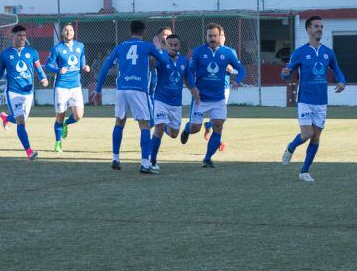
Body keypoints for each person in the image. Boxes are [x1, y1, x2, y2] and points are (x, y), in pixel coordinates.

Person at [94, 20, 167, 174]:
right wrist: (160, 49)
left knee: (119, 122)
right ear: (144, 31)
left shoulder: (121, 46)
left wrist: (98, 89)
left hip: (121, 89)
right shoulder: (148, 46)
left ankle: (115, 157)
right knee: (144, 126)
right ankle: (145, 163)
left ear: (130, 31)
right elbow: (165, 62)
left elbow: (106, 67)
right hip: (139, 89)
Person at [280, 16, 346, 182]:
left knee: (316, 137)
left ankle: (304, 171)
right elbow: (286, 72)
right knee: (307, 133)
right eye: (316, 26)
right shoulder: (300, 52)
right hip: (305, 100)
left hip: (321, 101)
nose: (319, 29)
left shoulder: (328, 53)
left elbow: (337, 69)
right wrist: (285, 74)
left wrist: (342, 81)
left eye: (321, 26)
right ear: (308, 30)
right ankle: (290, 147)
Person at [179, 23, 247, 169]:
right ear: (206, 36)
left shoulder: (228, 52)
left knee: (218, 126)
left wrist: (238, 81)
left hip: (219, 98)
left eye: (215, 36)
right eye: (210, 36)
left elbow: (241, 69)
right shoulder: (198, 51)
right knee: (195, 128)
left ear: (220, 36)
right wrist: (193, 87)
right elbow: (190, 72)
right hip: (200, 97)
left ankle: (207, 158)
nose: (212, 38)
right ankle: (187, 128)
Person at [0, 25, 49, 160]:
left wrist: (43, 78)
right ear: (12, 37)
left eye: (24, 35)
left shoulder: (32, 52)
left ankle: (6, 118)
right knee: (21, 122)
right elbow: (0, 73)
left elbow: (38, 68)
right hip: (13, 92)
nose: (22, 38)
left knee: (20, 119)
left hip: (28, 92)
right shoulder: (5, 54)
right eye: (19, 35)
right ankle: (29, 151)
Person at [45, 22, 90, 152]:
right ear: (62, 33)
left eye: (70, 30)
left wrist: (84, 67)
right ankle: (58, 143)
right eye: (66, 30)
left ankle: (66, 123)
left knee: (79, 115)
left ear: (74, 32)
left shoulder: (80, 46)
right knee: (60, 116)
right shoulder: (57, 48)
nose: (68, 32)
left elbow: (82, 59)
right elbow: (48, 65)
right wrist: (58, 70)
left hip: (76, 86)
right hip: (61, 86)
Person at [149, 34, 189, 172]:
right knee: (158, 128)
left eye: (175, 45)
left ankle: (165, 124)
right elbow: (151, 64)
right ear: (166, 46)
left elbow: (186, 79)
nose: (173, 47)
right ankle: (152, 161)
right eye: (170, 45)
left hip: (176, 103)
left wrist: (194, 90)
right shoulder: (161, 57)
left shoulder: (184, 61)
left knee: (174, 134)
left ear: (179, 46)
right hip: (161, 99)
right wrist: (157, 51)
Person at [202, 31, 235, 151]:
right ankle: (217, 141)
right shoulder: (206, 51)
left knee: (219, 117)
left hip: (224, 88)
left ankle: (210, 127)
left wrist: (230, 68)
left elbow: (236, 69)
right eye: (217, 36)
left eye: (221, 36)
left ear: (224, 38)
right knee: (218, 118)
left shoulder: (230, 52)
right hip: (209, 88)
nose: (219, 38)